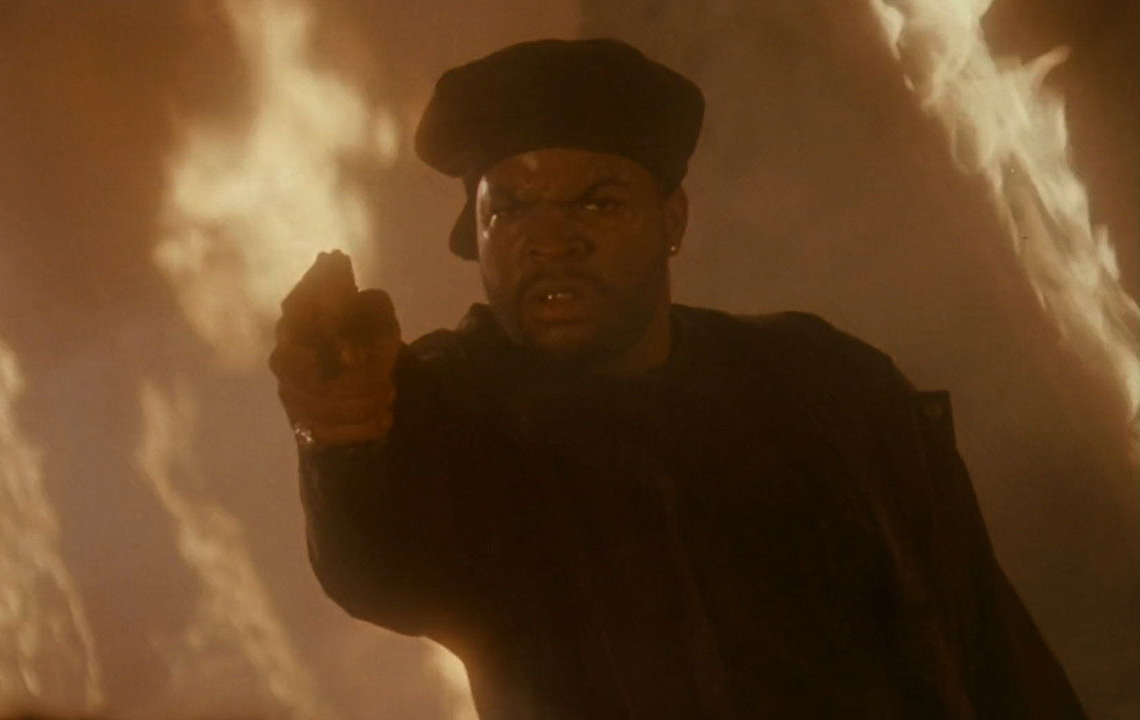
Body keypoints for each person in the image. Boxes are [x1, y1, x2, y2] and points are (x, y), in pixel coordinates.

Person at [269, 39, 1085, 718]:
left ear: (672, 220)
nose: (549, 240)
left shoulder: (824, 383)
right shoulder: (448, 405)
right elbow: (379, 568)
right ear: (476, 235)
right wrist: (343, 433)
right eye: (508, 209)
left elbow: (983, 634)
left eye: (597, 204)